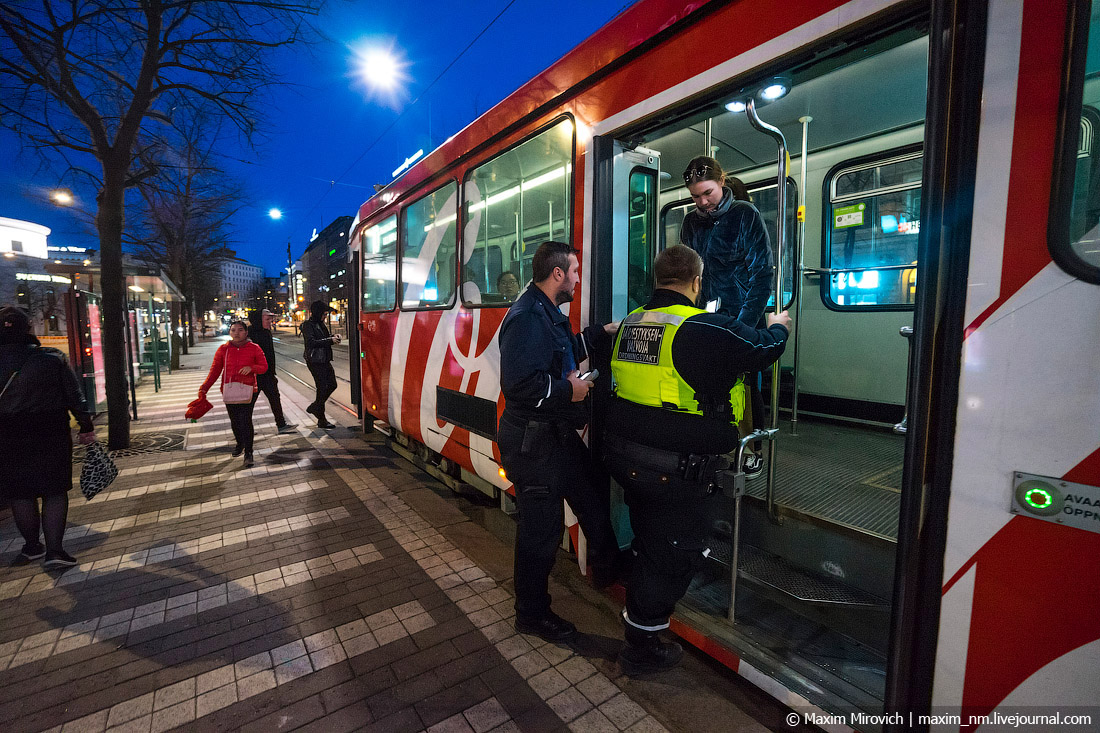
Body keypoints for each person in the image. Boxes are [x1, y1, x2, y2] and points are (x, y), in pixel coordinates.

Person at [603, 245, 790, 675]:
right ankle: (641, 646)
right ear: (697, 282)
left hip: (630, 460)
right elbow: (760, 348)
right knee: (673, 554)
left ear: (656, 279)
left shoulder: (631, 324)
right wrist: (778, 327)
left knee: (651, 544)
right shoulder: (701, 327)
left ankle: (640, 625)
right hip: (678, 471)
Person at [497, 240, 620, 643]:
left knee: (590, 492)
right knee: (541, 531)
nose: (578, 278)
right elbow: (520, 385)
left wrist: (600, 334)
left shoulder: (546, 311)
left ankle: (610, 567)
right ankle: (530, 613)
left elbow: (562, 354)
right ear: (558, 275)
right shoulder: (527, 318)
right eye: (575, 271)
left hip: (556, 437)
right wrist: (570, 393)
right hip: (534, 444)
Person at [680, 156, 775, 478]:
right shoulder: (691, 223)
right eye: (696, 196)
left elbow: (761, 274)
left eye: (708, 193)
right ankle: (717, 444)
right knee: (708, 382)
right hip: (706, 314)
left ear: (722, 182)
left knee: (746, 386)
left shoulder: (744, 216)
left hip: (742, 313)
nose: (703, 202)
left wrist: (745, 326)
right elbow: (688, 272)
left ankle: (752, 448)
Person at [0, 305, 95, 568]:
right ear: (28, 328)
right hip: (49, 430)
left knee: (20, 493)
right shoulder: (51, 358)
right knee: (54, 491)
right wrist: (86, 425)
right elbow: (74, 395)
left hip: (7, 432)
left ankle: (31, 547)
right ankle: (55, 552)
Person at [198, 320, 268, 467]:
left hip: (248, 390)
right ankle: (239, 443)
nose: (237, 333)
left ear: (246, 332)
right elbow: (215, 371)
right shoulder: (224, 349)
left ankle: (248, 452)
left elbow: (264, 367)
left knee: (246, 419)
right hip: (229, 390)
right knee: (235, 420)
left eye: (240, 330)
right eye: (233, 330)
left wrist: (252, 367)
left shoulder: (254, 348)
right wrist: (204, 388)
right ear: (230, 332)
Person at [247, 308, 296, 434]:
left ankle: (281, 425)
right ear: (259, 320)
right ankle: (244, 429)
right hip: (255, 375)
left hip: (268, 374)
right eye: (267, 319)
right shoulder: (249, 334)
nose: (270, 322)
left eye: (270, 319)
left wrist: (272, 371)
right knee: (249, 403)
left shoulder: (266, 332)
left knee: (275, 398)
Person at [301, 300, 341, 429]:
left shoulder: (320, 324)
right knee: (322, 387)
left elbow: (324, 337)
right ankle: (321, 419)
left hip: (324, 359)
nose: (325, 316)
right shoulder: (307, 325)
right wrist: (330, 340)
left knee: (332, 385)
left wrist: (333, 336)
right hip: (315, 361)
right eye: (324, 314)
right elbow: (312, 342)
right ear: (318, 313)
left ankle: (316, 407)